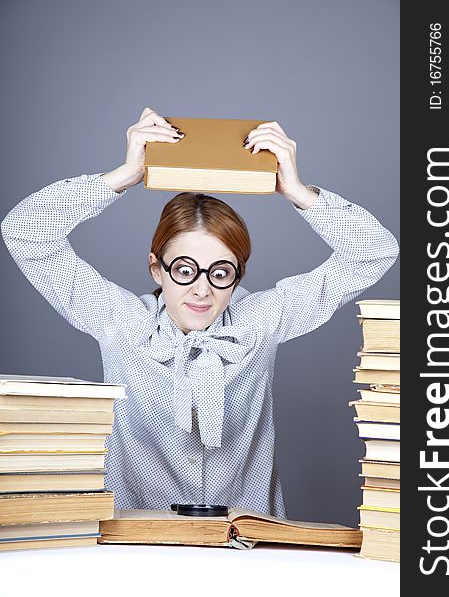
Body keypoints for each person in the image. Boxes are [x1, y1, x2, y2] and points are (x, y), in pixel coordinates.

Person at [1, 107, 399, 518]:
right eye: (185, 269)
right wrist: (123, 176)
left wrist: (297, 191)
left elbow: (373, 252)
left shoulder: (259, 321)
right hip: (135, 543)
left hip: (248, 545)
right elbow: (27, 231)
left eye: (221, 272)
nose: (201, 289)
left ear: (239, 274)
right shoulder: (120, 320)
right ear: (157, 267)